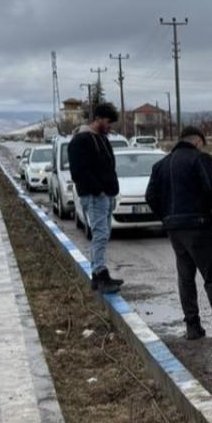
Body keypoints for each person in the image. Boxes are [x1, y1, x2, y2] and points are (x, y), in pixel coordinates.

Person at [146, 125, 212, 341]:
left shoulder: (161, 165)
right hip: (199, 224)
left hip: (174, 228)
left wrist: (166, 216)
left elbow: (150, 196)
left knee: (185, 277)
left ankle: (193, 326)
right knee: (211, 277)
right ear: (197, 140)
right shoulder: (200, 159)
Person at [68, 103, 124, 293]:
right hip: (94, 196)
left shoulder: (102, 139)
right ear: (98, 119)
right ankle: (99, 276)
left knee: (104, 234)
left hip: (106, 195)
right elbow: (79, 172)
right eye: (108, 122)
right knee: (99, 234)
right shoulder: (81, 141)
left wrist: (110, 190)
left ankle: (101, 273)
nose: (110, 127)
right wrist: (98, 190)